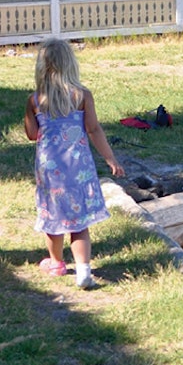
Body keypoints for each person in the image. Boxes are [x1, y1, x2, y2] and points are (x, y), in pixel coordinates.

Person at [23, 38, 125, 290]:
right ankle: (83, 271)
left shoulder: (35, 100)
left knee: (54, 217)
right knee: (79, 223)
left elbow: (32, 134)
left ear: (41, 67)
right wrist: (110, 157)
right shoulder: (81, 96)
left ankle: (56, 262)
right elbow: (93, 129)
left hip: (50, 172)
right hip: (79, 170)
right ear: (71, 65)